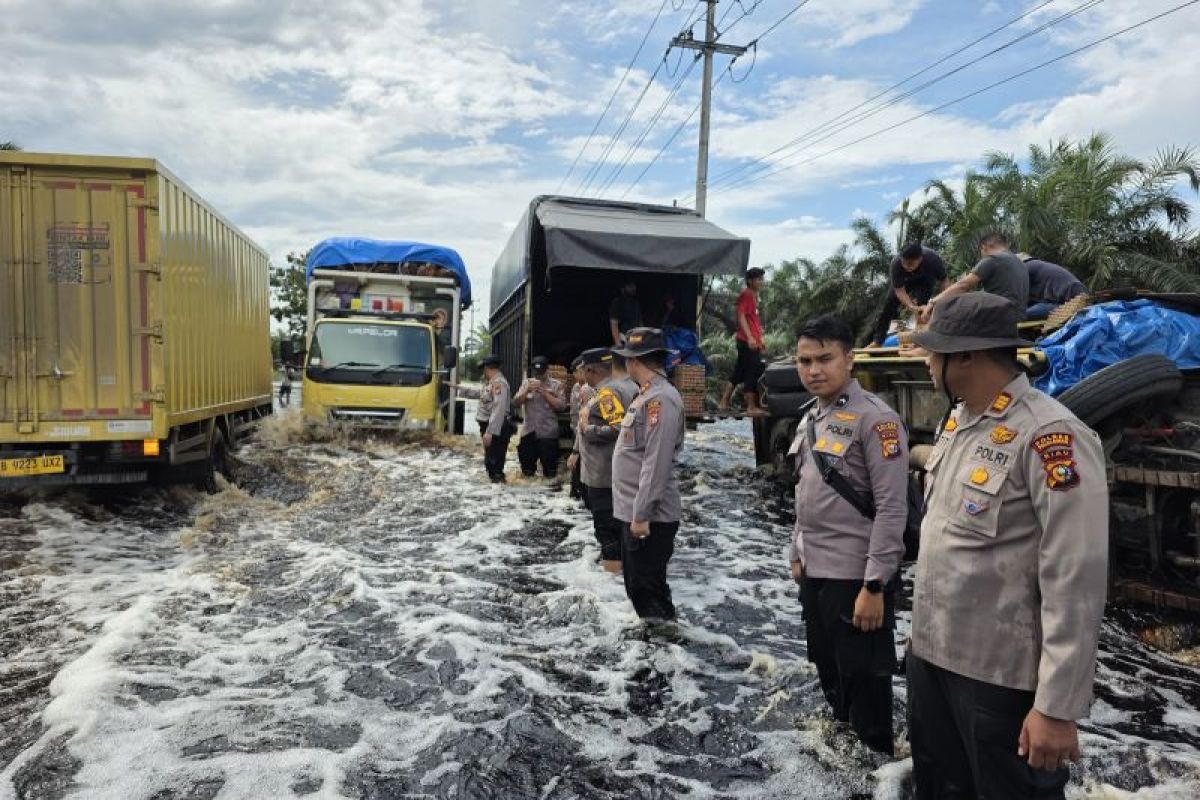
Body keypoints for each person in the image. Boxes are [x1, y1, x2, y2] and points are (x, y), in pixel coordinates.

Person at [907, 293, 1108, 798]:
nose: (928, 362)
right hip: (933, 658)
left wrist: (1056, 707)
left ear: (967, 355)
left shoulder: (1049, 434)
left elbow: (1075, 576)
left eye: (934, 352)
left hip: (998, 681)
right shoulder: (960, 421)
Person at [786, 315, 909, 755]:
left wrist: (875, 584)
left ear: (849, 359)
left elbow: (893, 507)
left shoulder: (876, 421)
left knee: (865, 683)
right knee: (828, 668)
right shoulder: (811, 418)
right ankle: (843, 758)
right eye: (805, 361)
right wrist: (796, 548)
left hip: (855, 577)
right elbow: (806, 487)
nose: (814, 369)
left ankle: (877, 767)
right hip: (814, 571)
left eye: (825, 359)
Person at [611, 327, 686, 621]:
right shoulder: (646, 395)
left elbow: (656, 463)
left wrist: (641, 514)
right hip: (636, 512)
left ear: (634, 361)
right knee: (639, 586)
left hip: (650, 517)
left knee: (646, 588)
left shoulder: (660, 400)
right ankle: (658, 644)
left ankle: (664, 649)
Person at [570, 347, 641, 573]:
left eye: (584, 370)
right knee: (620, 530)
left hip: (603, 474)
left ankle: (612, 585)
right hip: (619, 471)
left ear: (590, 370)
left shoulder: (608, 392)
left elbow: (620, 427)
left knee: (608, 533)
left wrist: (589, 430)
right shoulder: (629, 386)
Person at [921, 231, 1029, 322]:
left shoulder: (993, 259)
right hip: (1019, 315)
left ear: (984, 247)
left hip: (1000, 315)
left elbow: (963, 285)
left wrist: (933, 302)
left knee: (951, 306)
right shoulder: (1019, 262)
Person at [868, 243, 948, 347]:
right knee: (888, 305)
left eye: (911, 263)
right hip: (905, 281)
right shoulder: (896, 263)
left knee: (923, 307)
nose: (907, 266)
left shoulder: (932, 260)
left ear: (920, 259)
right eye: (904, 262)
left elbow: (944, 281)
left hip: (925, 280)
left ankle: (921, 339)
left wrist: (943, 301)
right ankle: (878, 341)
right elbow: (899, 290)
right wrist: (911, 306)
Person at [452, 354, 513, 483]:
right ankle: (496, 491)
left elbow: (498, 409)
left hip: (496, 427)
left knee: (494, 464)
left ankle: (499, 492)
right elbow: (479, 394)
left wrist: (490, 432)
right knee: (491, 462)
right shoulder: (490, 383)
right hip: (490, 426)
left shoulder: (499, 384)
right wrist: (457, 388)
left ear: (488, 368)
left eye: (484, 369)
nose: (483, 372)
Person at [719, 267, 769, 416]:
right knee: (752, 371)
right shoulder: (746, 294)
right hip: (747, 341)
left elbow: (753, 320)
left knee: (739, 371)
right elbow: (741, 316)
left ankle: (723, 402)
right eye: (758, 279)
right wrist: (750, 338)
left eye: (762, 279)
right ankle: (751, 406)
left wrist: (760, 338)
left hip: (750, 340)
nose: (761, 282)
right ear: (750, 281)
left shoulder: (754, 295)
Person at [514, 355, 566, 479]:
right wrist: (526, 391)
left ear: (547, 370)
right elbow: (515, 402)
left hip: (548, 434)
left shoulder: (556, 385)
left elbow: (561, 406)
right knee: (527, 472)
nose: (539, 375)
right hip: (529, 433)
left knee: (550, 473)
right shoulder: (526, 383)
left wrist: (545, 393)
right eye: (536, 372)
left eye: (541, 372)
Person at [1021, 254, 1087, 320]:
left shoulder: (1027, 267)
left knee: (1020, 315)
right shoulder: (1035, 265)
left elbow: (1017, 296)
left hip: (1073, 300)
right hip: (1071, 297)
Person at [568, 356, 593, 503]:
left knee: (584, 465)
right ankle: (576, 494)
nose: (575, 375)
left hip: (587, 433)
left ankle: (584, 496)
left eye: (577, 371)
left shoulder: (592, 389)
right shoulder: (576, 387)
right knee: (576, 467)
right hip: (576, 431)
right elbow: (574, 412)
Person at [609, 279, 643, 346]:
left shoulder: (636, 303)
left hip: (636, 337)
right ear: (623, 288)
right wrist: (618, 343)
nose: (633, 288)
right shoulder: (617, 302)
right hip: (624, 337)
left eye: (634, 285)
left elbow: (640, 322)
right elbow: (614, 324)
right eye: (630, 286)